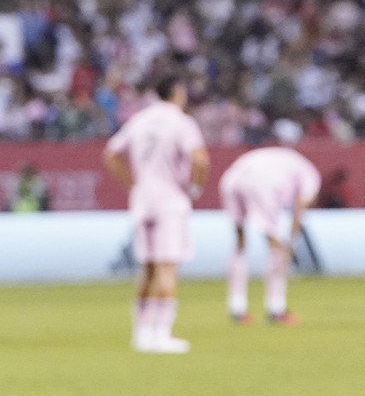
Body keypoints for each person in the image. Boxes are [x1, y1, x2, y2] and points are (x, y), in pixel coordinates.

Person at [103, 77, 209, 354]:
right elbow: (199, 159)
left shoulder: (140, 120)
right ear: (176, 92)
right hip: (170, 199)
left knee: (147, 268)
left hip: (142, 199)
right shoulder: (181, 122)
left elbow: (111, 153)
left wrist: (132, 184)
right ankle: (162, 333)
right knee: (167, 266)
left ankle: (141, 333)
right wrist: (195, 186)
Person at [219, 144, 321, 324]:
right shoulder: (311, 176)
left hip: (231, 178)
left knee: (240, 241)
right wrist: (290, 244)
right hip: (262, 182)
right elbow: (299, 208)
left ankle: (237, 308)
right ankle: (276, 309)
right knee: (275, 246)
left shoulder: (289, 160)